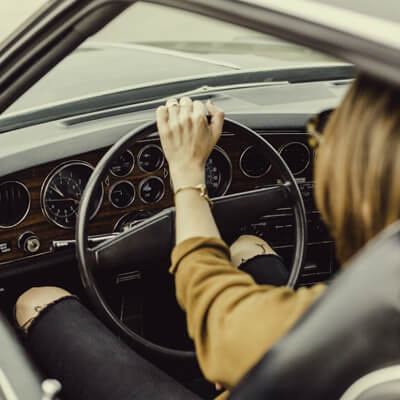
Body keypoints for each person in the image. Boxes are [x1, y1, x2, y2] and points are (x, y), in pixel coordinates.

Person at [15, 73, 400, 399]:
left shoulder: (369, 313)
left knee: (36, 299)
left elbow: (218, 320)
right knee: (248, 246)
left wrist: (186, 177)